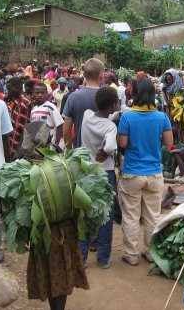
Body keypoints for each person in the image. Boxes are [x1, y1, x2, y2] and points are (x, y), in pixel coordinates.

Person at [117, 78, 173, 266]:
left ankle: (131, 254)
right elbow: (169, 143)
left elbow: (122, 144)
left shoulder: (127, 117)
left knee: (131, 216)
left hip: (132, 172)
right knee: (152, 216)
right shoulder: (161, 117)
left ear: (134, 94)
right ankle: (150, 252)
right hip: (154, 173)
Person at [80, 87, 118, 269]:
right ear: (112, 106)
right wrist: (105, 151)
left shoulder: (87, 116)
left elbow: (102, 117)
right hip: (105, 172)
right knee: (106, 215)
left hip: (87, 171)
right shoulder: (110, 127)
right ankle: (103, 258)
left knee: (87, 213)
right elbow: (111, 147)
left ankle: (82, 256)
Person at [63, 58, 105, 149]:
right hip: (103, 156)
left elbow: (66, 133)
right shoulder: (109, 97)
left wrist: (71, 153)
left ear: (84, 75)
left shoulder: (73, 97)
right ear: (101, 76)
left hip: (81, 156)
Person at [31, 82, 64, 149]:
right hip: (38, 145)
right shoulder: (33, 110)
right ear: (33, 94)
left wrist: (56, 144)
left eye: (42, 93)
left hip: (50, 145)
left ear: (46, 93)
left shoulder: (50, 107)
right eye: (37, 93)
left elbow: (60, 125)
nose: (40, 95)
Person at [5, 77, 32, 157]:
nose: (8, 91)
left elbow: (26, 129)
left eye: (9, 89)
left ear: (17, 87)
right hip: (13, 145)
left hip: (19, 149)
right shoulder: (17, 102)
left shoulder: (24, 103)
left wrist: (19, 151)